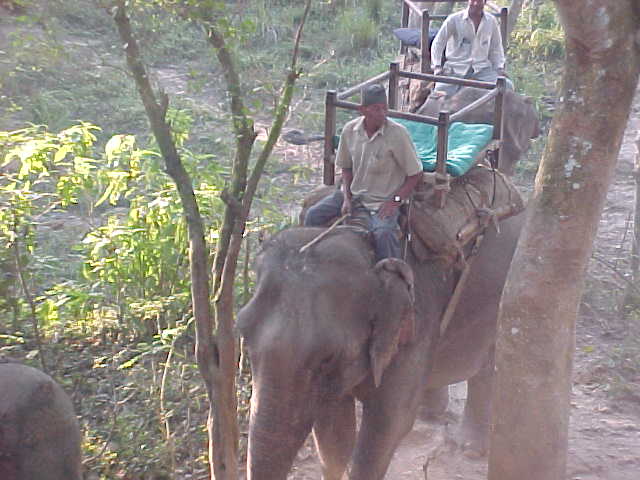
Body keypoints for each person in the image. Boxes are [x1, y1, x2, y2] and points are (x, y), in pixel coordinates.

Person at [304, 84, 423, 261]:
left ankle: (393, 278)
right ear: (362, 110)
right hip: (355, 194)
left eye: (385, 108)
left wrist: (394, 202)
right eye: (376, 109)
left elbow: (415, 174)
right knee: (312, 215)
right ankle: (310, 262)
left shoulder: (398, 134)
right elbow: (346, 166)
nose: (382, 113)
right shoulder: (350, 131)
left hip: (381, 201)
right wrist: (346, 197)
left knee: (384, 234)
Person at [430, 0, 511, 97]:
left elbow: (496, 47)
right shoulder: (454, 19)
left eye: (479, 1)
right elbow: (438, 43)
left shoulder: (491, 21)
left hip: (482, 70)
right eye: (473, 0)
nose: (476, 4)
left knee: (508, 87)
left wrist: (499, 68)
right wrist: (437, 67)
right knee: (439, 94)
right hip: (455, 69)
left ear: (484, 2)